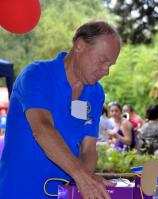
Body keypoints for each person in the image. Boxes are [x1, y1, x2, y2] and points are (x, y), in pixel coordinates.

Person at [0, 20, 121, 199]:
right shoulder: (37, 75)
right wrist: (82, 176)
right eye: (102, 61)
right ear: (79, 45)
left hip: (62, 194)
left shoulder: (95, 93)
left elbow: (88, 148)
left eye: (110, 65)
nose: (106, 71)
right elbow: (42, 129)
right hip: (18, 191)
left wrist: (81, 185)